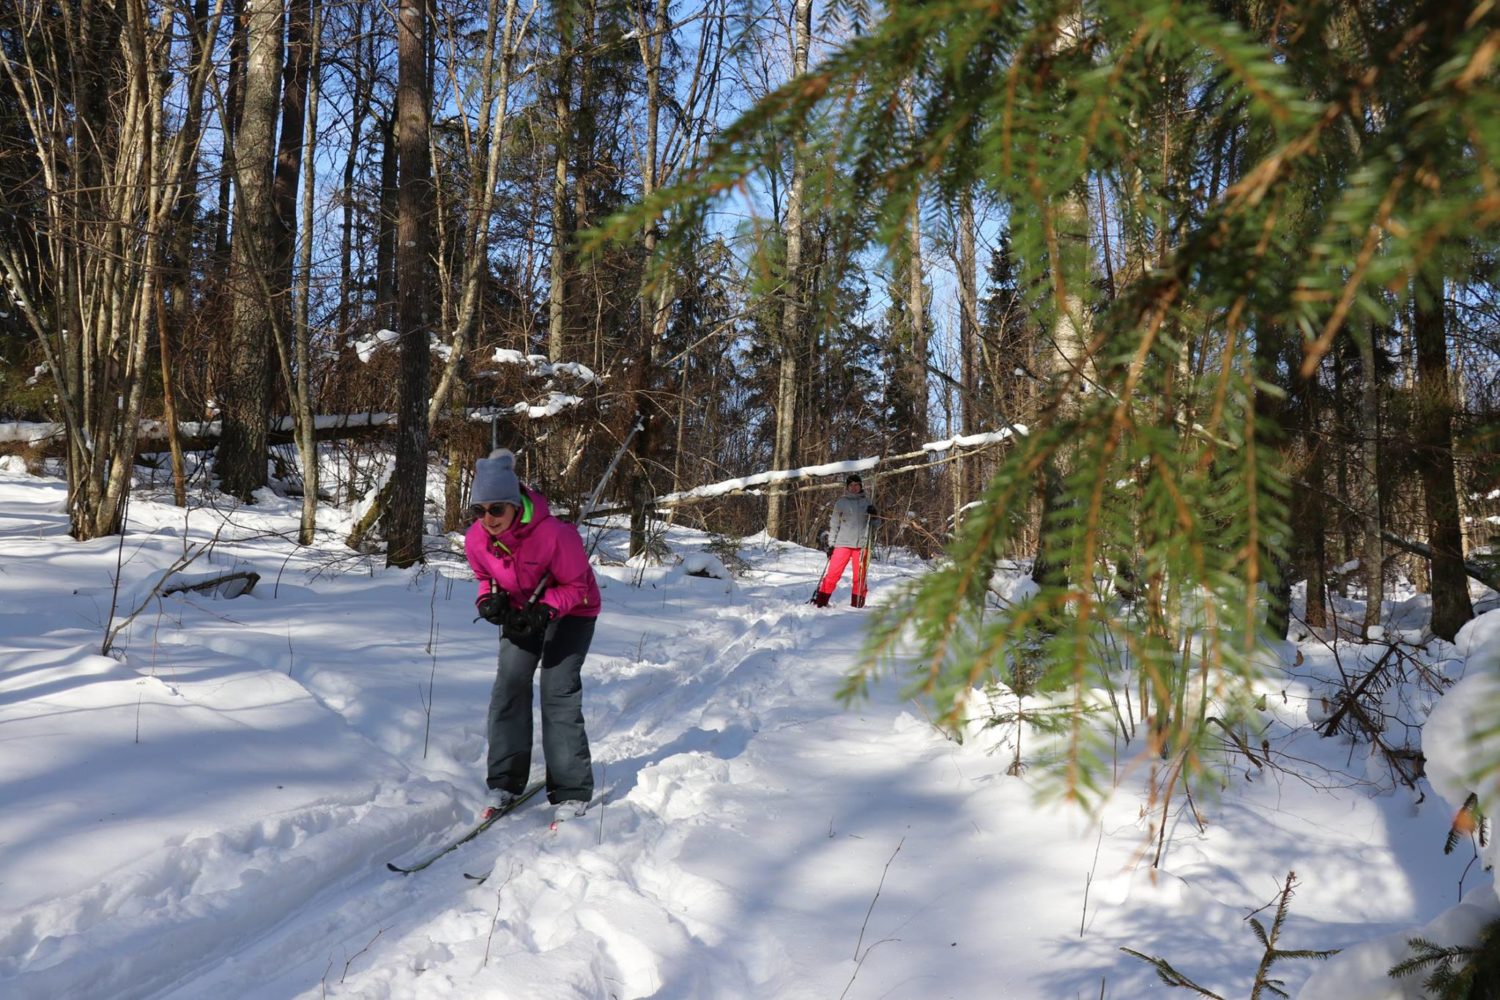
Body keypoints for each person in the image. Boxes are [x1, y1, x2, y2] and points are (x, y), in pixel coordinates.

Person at [464, 448, 599, 825]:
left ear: (514, 504)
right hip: (522, 612)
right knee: (509, 687)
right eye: (479, 510)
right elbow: (484, 577)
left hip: (573, 612)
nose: (488, 519)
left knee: (557, 691)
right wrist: (488, 600)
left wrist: (546, 609)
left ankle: (572, 791)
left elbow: (577, 586)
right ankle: (504, 783)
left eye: (496, 509)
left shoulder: (554, 535)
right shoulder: (476, 539)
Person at [811, 473, 877, 608]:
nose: (854, 487)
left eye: (856, 485)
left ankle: (857, 605)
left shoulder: (867, 502)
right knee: (833, 574)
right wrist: (831, 545)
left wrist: (874, 515)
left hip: (862, 545)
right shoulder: (841, 502)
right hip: (842, 544)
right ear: (847, 487)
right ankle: (820, 602)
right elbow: (834, 525)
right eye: (851, 485)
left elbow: (875, 525)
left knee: (860, 578)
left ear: (861, 486)